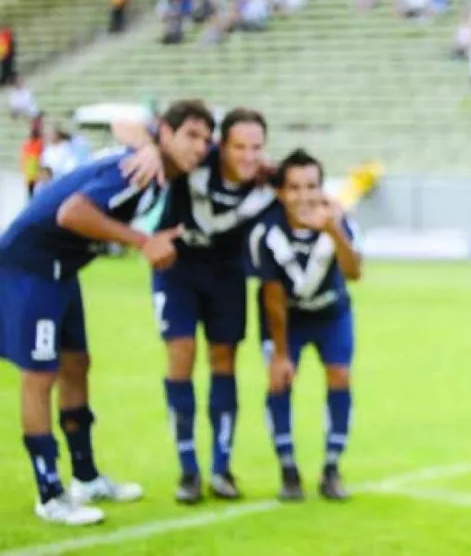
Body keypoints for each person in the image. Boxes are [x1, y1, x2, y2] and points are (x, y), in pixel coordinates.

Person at [0, 99, 215, 525]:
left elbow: (127, 127)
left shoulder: (157, 166)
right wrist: (143, 241)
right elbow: (72, 212)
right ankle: (50, 493)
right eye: (191, 135)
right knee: (39, 376)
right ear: (165, 133)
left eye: (206, 139)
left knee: (77, 365)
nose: (200, 146)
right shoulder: (138, 170)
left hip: (62, 271)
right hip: (29, 268)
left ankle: (85, 477)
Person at [115, 108, 276, 504]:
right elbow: (123, 124)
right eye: (239, 146)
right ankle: (188, 470)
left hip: (227, 276)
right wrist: (148, 146)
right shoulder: (196, 157)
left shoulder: (266, 181)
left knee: (224, 361)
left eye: (256, 147)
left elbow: (304, 188)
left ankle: (221, 469)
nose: (248, 155)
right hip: (177, 268)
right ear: (222, 145)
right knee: (181, 355)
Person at [249, 149, 363, 501]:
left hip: (331, 314)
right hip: (286, 319)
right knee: (280, 380)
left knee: (340, 376)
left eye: (312, 186)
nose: (304, 196)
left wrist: (333, 229)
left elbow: (354, 272)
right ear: (281, 192)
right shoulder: (266, 231)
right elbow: (272, 295)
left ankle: (332, 468)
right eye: (295, 188)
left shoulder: (337, 220)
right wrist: (281, 354)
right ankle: (288, 470)